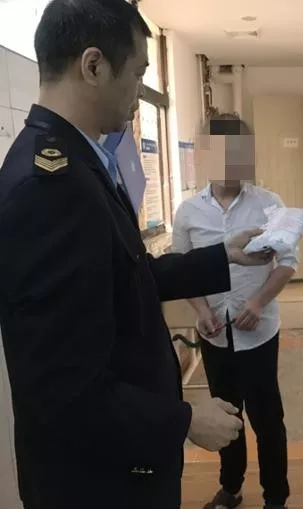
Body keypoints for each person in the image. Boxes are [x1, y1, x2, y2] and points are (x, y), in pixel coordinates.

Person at [0, 1, 272, 508]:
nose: (139, 95)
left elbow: (129, 274)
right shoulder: (50, 187)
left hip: (117, 462)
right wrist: (184, 420)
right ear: (94, 65)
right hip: (98, 482)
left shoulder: (81, 161)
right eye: (138, 74)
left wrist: (224, 256)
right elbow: (61, 384)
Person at [172, 115, 297, 509]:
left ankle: (276, 497)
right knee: (226, 414)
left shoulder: (269, 204)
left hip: (258, 331)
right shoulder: (188, 211)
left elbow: (288, 262)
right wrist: (201, 310)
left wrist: (258, 303)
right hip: (213, 332)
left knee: (267, 417)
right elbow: (181, 269)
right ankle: (231, 488)